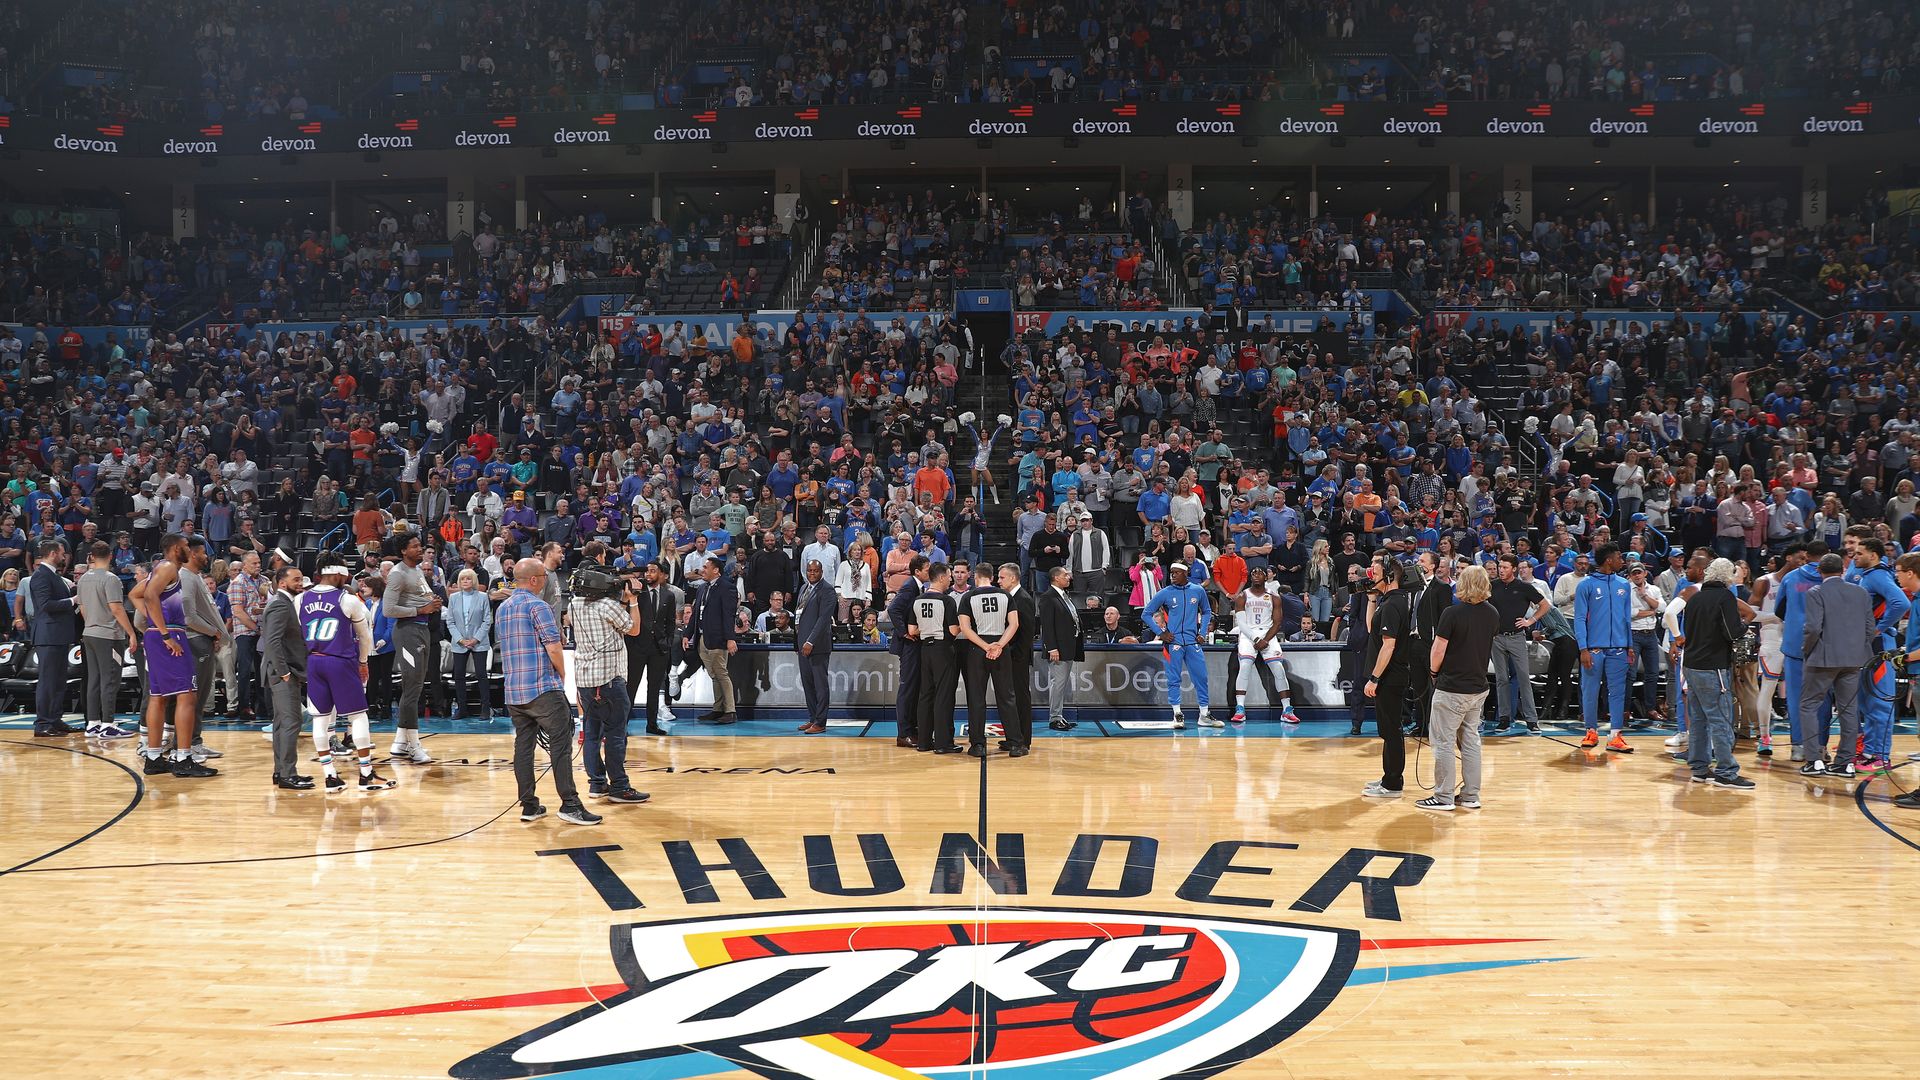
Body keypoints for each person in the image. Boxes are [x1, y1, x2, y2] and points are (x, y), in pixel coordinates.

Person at [496, 557, 599, 824]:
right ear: (533, 580)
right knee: (561, 747)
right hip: (542, 688)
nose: (545, 580)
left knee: (524, 747)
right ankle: (570, 805)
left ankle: (529, 806)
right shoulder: (538, 606)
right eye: (543, 576)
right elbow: (553, 647)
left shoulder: (503, 608)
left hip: (514, 691)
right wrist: (563, 677)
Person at [299, 562, 394, 793]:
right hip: (340, 660)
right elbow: (364, 637)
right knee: (358, 716)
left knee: (320, 720)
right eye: (345, 575)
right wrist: (363, 662)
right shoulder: (347, 599)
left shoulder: (300, 599)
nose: (348, 578)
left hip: (314, 660)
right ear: (336, 574)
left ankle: (330, 777)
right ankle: (365, 774)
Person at [131, 534, 215, 778]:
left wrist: (154, 623)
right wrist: (165, 632)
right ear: (177, 548)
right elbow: (147, 596)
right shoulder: (168, 567)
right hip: (169, 636)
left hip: (156, 635)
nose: (189, 549)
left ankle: (154, 756)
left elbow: (135, 595)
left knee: (158, 696)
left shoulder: (158, 569)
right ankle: (183, 758)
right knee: (187, 696)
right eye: (187, 546)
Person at [1420, 564, 1498, 811]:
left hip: (1453, 686)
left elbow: (1438, 649)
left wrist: (1433, 672)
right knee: (1471, 742)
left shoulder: (1451, 613)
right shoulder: (1493, 613)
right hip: (1478, 686)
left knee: (1443, 742)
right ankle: (1471, 796)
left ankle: (1443, 797)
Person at [571, 558, 648, 805]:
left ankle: (597, 784)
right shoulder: (607, 605)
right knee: (616, 734)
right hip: (609, 680)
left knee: (592, 733)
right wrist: (633, 600)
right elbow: (633, 629)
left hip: (585, 680)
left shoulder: (573, 604)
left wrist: (622, 600)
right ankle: (620, 787)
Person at [1677, 558, 1756, 789]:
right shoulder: (1725, 598)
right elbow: (1732, 632)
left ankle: (1700, 769)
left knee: (1699, 719)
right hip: (1712, 667)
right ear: (1728, 577)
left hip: (1691, 664)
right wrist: (1744, 627)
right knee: (1721, 719)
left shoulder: (1695, 598)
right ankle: (1726, 772)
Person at [1797, 553, 1875, 778]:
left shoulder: (1816, 592)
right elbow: (1870, 629)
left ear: (1818, 571)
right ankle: (1845, 763)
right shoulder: (1860, 592)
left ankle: (1814, 761)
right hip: (1854, 660)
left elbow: (1812, 628)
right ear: (1843, 569)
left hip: (1822, 659)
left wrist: (1807, 650)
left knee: (1808, 705)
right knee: (1849, 710)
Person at [1844, 537, 1907, 774]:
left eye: (1859, 553)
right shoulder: (1867, 574)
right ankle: (1870, 752)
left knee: (1879, 701)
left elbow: (1901, 603)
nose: (1854, 556)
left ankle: (1881, 756)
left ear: (1873, 555)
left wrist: (1880, 626)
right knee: (1867, 702)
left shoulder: (1878, 575)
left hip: (1879, 645)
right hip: (1866, 645)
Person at [384, 533, 441, 764]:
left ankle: (399, 742)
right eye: (415, 546)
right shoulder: (397, 574)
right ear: (403, 551)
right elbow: (388, 609)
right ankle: (414, 746)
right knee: (412, 689)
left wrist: (431, 603)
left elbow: (422, 598)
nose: (420, 549)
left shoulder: (416, 570)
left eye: (420, 545)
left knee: (416, 686)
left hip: (421, 630)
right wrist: (420, 610)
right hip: (407, 631)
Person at [1361, 555, 1414, 799]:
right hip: (1388, 676)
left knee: (1392, 730)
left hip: (1390, 677)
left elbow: (1389, 646)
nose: (1371, 574)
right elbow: (1372, 629)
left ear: (1390, 576)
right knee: (1387, 729)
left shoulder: (1394, 604)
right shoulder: (1388, 601)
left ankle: (1393, 784)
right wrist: (1372, 598)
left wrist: (1374, 678)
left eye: (1376, 571)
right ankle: (1388, 777)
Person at [1574, 543, 1635, 752]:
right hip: (1594, 649)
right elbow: (1580, 619)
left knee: (1617, 692)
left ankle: (1615, 736)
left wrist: (1630, 645)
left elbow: (1627, 618)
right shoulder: (1586, 585)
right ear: (1609, 560)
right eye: (1619, 556)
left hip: (1619, 647)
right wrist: (1583, 648)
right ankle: (1591, 731)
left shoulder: (1623, 585)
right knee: (1590, 691)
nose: (1622, 560)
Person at [76, 540, 138, 739]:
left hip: (89, 633)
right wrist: (131, 633)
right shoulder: (111, 579)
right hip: (109, 636)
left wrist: (92, 624)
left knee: (93, 680)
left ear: (91, 557)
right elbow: (117, 609)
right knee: (110, 679)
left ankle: (93, 723)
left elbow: (83, 608)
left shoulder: (84, 578)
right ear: (111, 556)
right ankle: (108, 723)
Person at [259, 563, 311, 789]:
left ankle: (281, 772)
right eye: (296, 580)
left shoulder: (284, 603)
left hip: (283, 671)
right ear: (282, 583)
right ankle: (288, 774)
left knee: (282, 724)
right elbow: (272, 642)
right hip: (282, 673)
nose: (301, 584)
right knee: (291, 723)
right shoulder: (280, 605)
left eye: (301, 579)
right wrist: (285, 672)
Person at [1142, 561, 1213, 727]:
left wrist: (1202, 632)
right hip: (1172, 643)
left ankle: (1204, 715)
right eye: (1171, 572)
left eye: (1176, 573)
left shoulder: (1198, 590)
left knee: (1201, 677)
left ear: (1185, 573)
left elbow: (1207, 611)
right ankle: (1177, 714)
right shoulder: (1165, 592)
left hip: (1192, 642)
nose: (1172, 575)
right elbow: (1146, 614)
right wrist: (1161, 633)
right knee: (1173, 679)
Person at [958, 564, 1018, 757]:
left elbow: (965, 629)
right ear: (992, 577)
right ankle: (1016, 744)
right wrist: (998, 645)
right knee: (1007, 697)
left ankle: (978, 745)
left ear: (975, 577)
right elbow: (1014, 624)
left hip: (977, 650)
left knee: (976, 698)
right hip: (1001, 648)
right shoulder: (1006, 596)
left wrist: (986, 647)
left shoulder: (968, 597)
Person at [1229, 566, 1301, 725]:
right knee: (1245, 666)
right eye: (1253, 573)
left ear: (1266, 577)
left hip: (1268, 634)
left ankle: (1287, 710)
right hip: (1249, 635)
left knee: (1279, 669)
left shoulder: (1274, 597)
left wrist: (1265, 640)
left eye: (1259, 572)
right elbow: (1241, 623)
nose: (1256, 575)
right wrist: (1255, 639)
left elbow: (1277, 623)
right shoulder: (1243, 596)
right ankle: (1240, 708)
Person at [1488, 554, 1550, 734]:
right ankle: (1504, 718)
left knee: (1524, 678)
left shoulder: (1524, 587)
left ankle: (1532, 720)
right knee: (1501, 679)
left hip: (1517, 637)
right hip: (1496, 638)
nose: (1501, 570)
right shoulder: (1493, 586)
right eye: (1500, 566)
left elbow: (1545, 605)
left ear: (1514, 569)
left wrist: (1530, 621)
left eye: (1505, 567)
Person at [909, 562, 963, 754]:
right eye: (949, 576)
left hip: (925, 649)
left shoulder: (918, 600)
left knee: (925, 695)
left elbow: (912, 630)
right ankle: (943, 743)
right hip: (943, 649)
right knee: (944, 696)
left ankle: (923, 742)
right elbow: (953, 630)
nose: (950, 579)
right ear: (941, 577)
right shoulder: (947, 601)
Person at [29, 540, 79, 737]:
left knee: (58, 681)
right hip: (48, 636)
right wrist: (72, 601)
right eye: (61, 552)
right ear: (52, 554)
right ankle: (43, 723)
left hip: (58, 635)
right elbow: (45, 605)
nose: (64, 555)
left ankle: (54, 719)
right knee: (48, 681)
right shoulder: (41, 575)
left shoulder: (53, 575)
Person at [687, 556, 739, 724]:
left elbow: (728, 615)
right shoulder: (702, 588)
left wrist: (730, 639)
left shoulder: (727, 587)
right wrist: (687, 634)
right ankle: (718, 709)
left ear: (716, 570)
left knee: (721, 674)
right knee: (714, 675)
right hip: (703, 637)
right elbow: (695, 614)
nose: (703, 570)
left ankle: (730, 711)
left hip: (718, 638)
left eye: (706, 567)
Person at [628, 560, 678, 735]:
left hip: (659, 648)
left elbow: (671, 622)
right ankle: (622, 725)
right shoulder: (637, 591)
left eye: (652, 571)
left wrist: (668, 641)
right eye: (647, 571)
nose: (648, 574)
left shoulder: (669, 595)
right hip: (637, 647)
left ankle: (652, 724)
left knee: (654, 687)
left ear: (662, 575)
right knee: (631, 687)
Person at [885, 555, 927, 746]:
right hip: (908, 646)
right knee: (907, 689)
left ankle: (912, 729)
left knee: (914, 688)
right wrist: (903, 633)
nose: (930, 571)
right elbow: (893, 609)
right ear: (917, 571)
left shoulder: (917, 586)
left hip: (914, 644)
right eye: (927, 568)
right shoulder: (910, 586)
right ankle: (903, 734)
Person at [1039, 565, 1083, 741]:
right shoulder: (1048, 597)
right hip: (1058, 649)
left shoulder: (1064, 596)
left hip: (1068, 647)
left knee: (1061, 684)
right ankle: (1055, 718)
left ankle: (1059, 716)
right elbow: (1047, 625)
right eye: (1065, 575)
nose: (1069, 577)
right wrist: (1052, 648)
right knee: (1058, 683)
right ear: (1056, 578)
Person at [793, 558, 837, 735]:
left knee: (820, 685)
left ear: (821, 572)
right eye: (809, 571)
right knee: (808, 684)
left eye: (815, 571)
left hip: (817, 645)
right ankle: (812, 718)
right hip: (802, 644)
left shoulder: (827, 590)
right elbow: (799, 617)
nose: (812, 574)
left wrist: (810, 641)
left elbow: (823, 620)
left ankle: (821, 721)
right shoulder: (804, 588)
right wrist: (797, 642)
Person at [999, 562, 1039, 749]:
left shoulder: (1022, 599)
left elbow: (1026, 634)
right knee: (1012, 699)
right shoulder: (1010, 598)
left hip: (1018, 658)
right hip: (1012, 657)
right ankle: (1013, 737)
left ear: (1013, 578)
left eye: (1002, 577)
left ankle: (1023, 740)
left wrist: (1016, 657)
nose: (998, 581)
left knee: (1021, 698)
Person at [444, 568, 493, 719]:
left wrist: (475, 639)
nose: (465, 581)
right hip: (459, 642)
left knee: (481, 674)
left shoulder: (483, 597)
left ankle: (485, 708)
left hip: (479, 641)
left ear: (474, 581)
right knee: (458, 675)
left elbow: (487, 620)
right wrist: (460, 639)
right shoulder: (454, 598)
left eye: (468, 579)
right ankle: (462, 708)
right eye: (463, 579)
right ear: (458, 582)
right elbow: (450, 621)